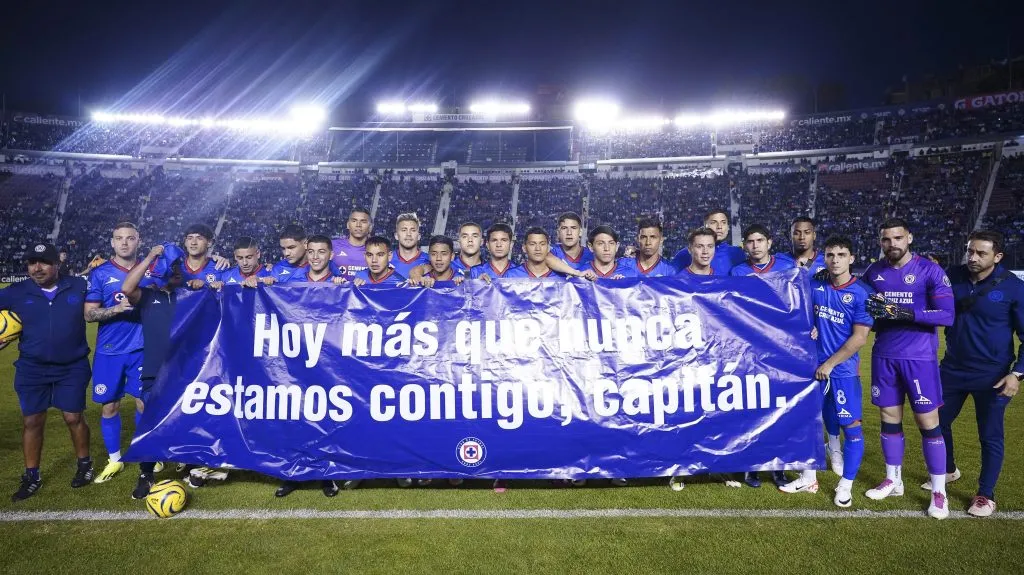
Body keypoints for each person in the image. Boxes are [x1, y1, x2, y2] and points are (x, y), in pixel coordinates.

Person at [862, 218, 955, 520]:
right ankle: (893, 479)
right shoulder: (874, 272)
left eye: (898, 238)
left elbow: (947, 314)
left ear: (910, 238)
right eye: (886, 239)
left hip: (919, 359)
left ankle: (939, 492)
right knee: (889, 418)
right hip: (884, 355)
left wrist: (904, 312)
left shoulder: (930, 270)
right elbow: (861, 306)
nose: (892, 244)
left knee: (928, 422)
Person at [935, 230, 1024, 517]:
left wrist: (1017, 374)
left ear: (997, 257)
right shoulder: (953, 275)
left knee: (989, 435)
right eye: (970, 251)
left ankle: (985, 495)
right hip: (951, 369)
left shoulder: (1013, 287)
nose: (972, 257)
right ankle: (948, 470)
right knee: (935, 424)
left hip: (993, 375)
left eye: (981, 253)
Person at [779, 236, 872, 507]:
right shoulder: (817, 283)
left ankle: (846, 485)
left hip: (841, 371)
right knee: (810, 422)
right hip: (811, 367)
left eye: (841, 255)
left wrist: (830, 364)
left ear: (851, 259)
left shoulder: (861, 293)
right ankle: (809, 477)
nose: (835, 260)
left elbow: (860, 338)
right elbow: (797, 307)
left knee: (851, 427)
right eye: (830, 255)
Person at [0, 243, 94, 501]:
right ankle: (32, 476)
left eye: (44, 262)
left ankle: (85, 465)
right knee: (32, 421)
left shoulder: (77, 286)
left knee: (74, 417)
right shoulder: (17, 291)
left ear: (57, 264)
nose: (37, 268)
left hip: (72, 366)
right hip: (32, 368)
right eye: (32, 263)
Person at [85, 222, 157, 484]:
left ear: (138, 241)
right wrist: (114, 310)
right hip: (110, 350)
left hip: (142, 348)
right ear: (112, 243)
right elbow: (89, 314)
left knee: (143, 402)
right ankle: (114, 459)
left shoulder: (151, 270)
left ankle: (147, 454)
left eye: (130, 238)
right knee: (110, 406)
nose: (124, 243)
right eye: (119, 238)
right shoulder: (100, 274)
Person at [119, 244, 183, 499]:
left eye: (179, 267)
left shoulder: (188, 294)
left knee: (186, 415)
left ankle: (189, 463)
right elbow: (126, 289)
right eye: (174, 267)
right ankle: (146, 473)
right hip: (155, 367)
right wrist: (150, 257)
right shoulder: (147, 297)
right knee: (150, 420)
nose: (178, 271)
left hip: (186, 367)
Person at [671, 209, 745, 275]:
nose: (719, 226)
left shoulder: (737, 253)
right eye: (713, 222)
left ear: (728, 227)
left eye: (723, 222)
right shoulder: (685, 254)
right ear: (705, 226)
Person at [729, 224, 795, 277]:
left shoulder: (788, 267)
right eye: (750, 241)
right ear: (745, 246)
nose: (755, 246)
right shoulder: (737, 272)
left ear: (769, 243)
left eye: (760, 240)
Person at [280, 235, 347, 285]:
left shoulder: (337, 284)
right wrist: (271, 285)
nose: (315, 257)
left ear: (331, 255)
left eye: (321, 252)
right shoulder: (293, 283)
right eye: (311, 252)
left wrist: (342, 288)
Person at [332, 207, 372, 280]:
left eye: (363, 221)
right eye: (354, 221)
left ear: (370, 227)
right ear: (348, 225)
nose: (358, 225)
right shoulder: (333, 246)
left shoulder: (376, 250)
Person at [180, 223, 223, 288]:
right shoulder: (176, 268)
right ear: (185, 242)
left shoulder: (220, 268)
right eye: (190, 238)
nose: (193, 242)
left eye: (199, 238)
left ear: (209, 243)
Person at [390, 213, 430, 278]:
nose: (408, 234)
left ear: (419, 236)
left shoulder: (430, 260)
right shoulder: (387, 260)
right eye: (404, 230)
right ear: (396, 236)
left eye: (413, 230)